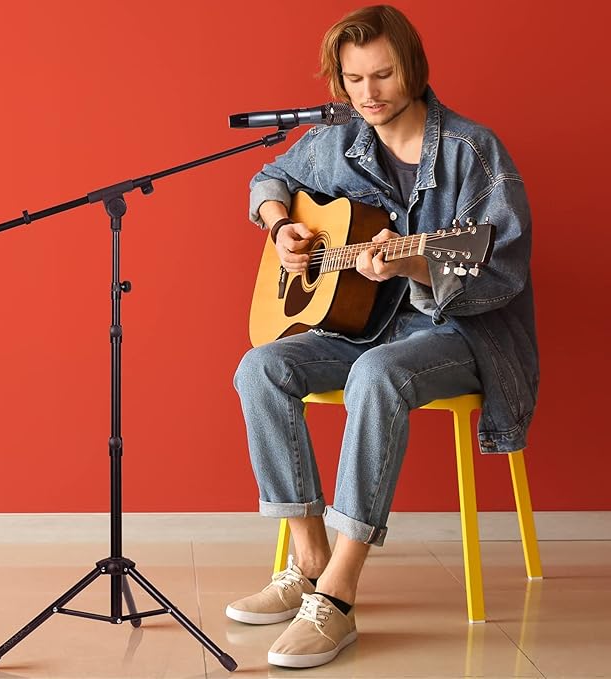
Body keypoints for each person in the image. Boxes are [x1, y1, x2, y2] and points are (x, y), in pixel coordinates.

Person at [227, 4, 538, 670]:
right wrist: (280, 226)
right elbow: (268, 178)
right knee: (260, 367)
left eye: (383, 75)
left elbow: (502, 265)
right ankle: (309, 558)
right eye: (354, 78)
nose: (368, 93)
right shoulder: (339, 140)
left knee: (378, 373)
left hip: (458, 332)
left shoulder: (471, 151)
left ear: (413, 69)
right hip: (364, 326)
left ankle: (336, 596)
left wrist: (412, 263)